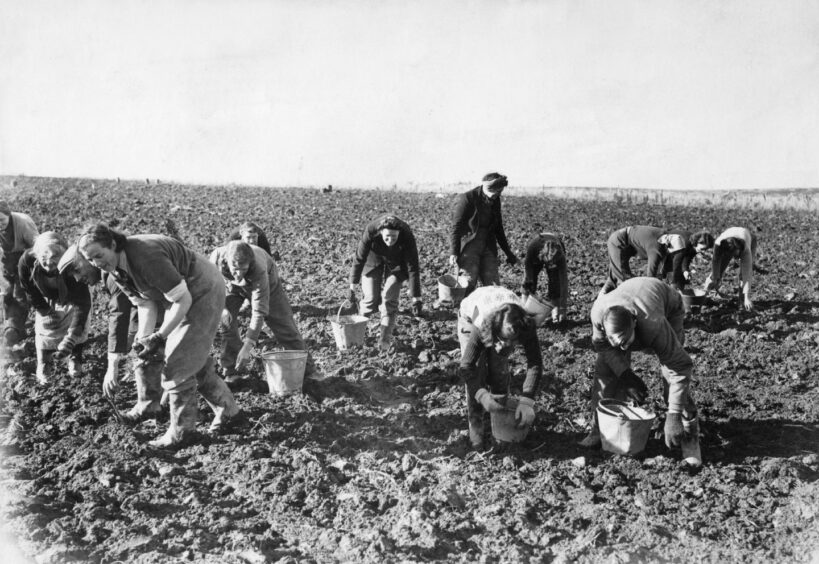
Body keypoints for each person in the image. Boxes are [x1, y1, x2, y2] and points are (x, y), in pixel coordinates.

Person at [78, 223, 241, 447]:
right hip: (177, 297)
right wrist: (144, 339)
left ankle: (182, 432)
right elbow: (145, 303)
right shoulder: (114, 269)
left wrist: (160, 336)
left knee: (178, 361)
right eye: (90, 260)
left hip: (202, 288)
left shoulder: (145, 257)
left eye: (98, 255)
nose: (96, 263)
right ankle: (228, 411)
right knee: (187, 355)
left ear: (112, 244)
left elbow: (183, 299)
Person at [585, 277, 701, 466]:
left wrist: (673, 414)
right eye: (617, 344)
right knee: (606, 369)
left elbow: (680, 366)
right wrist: (625, 374)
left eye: (625, 343)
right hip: (630, 298)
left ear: (634, 324)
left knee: (670, 378)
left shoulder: (654, 324)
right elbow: (603, 347)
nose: (623, 350)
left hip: (668, 307)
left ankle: (690, 433)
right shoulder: (598, 314)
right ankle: (600, 428)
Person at [57, 245, 165, 421]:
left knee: (157, 352)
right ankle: (155, 401)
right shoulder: (107, 273)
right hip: (150, 307)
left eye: (77, 269)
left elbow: (119, 314)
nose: (77, 279)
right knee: (140, 346)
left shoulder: (112, 275)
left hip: (172, 303)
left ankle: (154, 406)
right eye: (72, 275)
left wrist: (112, 365)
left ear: (89, 258)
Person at [210, 240, 317, 381]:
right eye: (234, 269)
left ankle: (307, 370)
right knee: (227, 323)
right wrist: (220, 309)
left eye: (243, 269)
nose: (238, 274)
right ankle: (231, 370)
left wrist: (248, 346)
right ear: (227, 261)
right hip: (231, 288)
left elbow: (259, 311)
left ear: (249, 263)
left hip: (267, 284)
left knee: (283, 323)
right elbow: (210, 286)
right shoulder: (217, 257)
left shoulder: (259, 268)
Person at [457, 286, 547, 449]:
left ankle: (499, 425)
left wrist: (527, 401)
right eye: (502, 339)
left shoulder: (525, 324)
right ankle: (476, 430)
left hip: (501, 312)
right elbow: (466, 366)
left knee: (499, 371)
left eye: (513, 341)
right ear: (495, 330)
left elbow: (535, 363)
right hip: (471, 318)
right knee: (478, 370)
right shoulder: (483, 323)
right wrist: (481, 394)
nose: (507, 345)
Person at [18, 232, 91, 383]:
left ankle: (75, 358)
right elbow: (30, 290)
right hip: (44, 294)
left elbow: (82, 304)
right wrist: (45, 310)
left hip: (72, 294)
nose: (49, 265)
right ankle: (44, 362)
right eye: (44, 260)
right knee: (45, 326)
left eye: (54, 261)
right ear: (37, 255)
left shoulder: (73, 265)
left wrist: (71, 338)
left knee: (77, 323)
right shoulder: (27, 261)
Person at [347, 214, 422, 351]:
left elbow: (413, 266)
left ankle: (384, 340)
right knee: (370, 298)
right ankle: (357, 336)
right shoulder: (370, 231)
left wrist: (416, 297)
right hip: (373, 257)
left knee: (389, 299)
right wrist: (352, 287)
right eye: (387, 236)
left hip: (397, 262)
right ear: (380, 232)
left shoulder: (407, 234)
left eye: (394, 237)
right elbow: (359, 258)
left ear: (399, 234)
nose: (390, 240)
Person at [449, 172, 518, 296]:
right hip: (470, 247)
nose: (497, 196)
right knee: (468, 282)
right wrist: (454, 252)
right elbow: (456, 227)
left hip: (488, 246)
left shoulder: (495, 200)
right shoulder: (467, 199)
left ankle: (491, 314)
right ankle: (465, 313)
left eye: (500, 193)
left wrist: (509, 253)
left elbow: (499, 229)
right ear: (487, 188)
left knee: (493, 286)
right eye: (495, 193)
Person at [600, 225, 687, 295]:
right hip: (619, 241)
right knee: (624, 278)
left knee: (615, 275)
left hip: (630, 244)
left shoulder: (666, 238)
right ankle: (621, 305)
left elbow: (667, 267)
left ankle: (602, 296)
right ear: (668, 246)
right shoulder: (656, 247)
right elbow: (651, 274)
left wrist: (674, 284)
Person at [0, 201, 39, 348]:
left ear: (9, 216)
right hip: (5, 259)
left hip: (25, 256)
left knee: (20, 295)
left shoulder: (22, 223)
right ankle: (8, 325)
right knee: (5, 293)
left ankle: (15, 330)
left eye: (2, 220)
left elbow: (37, 246)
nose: (0, 224)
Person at [704, 227, 758, 311]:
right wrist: (715, 277)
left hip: (749, 238)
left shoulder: (745, 249)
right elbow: (716, 262)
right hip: (729, 242)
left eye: (736, 254)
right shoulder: (719, 244)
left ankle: (742, 300)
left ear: (739, 249)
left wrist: (747, 297)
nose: (735, 257)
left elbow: (747, 274)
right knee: (719, 270)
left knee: (742, 275)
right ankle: (709, 293)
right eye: (732, 254)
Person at [521, 232, 569, 323]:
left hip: (554, 243)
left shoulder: (560, 256)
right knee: (530, 281)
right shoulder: (533, 248)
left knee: (555, 282)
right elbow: (528, 273)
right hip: (536, 252)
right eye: (549, 263)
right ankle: (523, 311)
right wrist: (529, 287)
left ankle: (555, 313)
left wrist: (563, 308)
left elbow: (563, 282)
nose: (550, 266)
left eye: (553, 263)